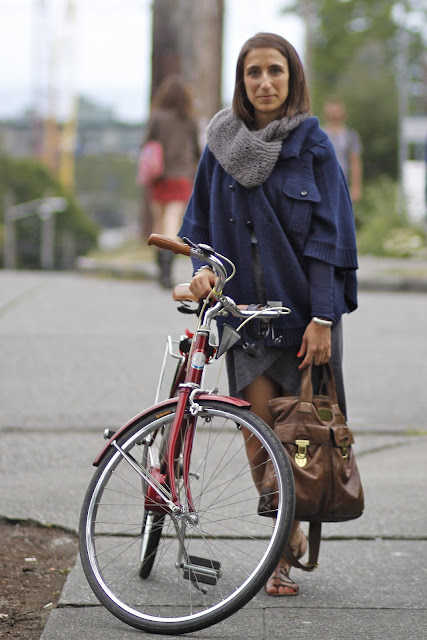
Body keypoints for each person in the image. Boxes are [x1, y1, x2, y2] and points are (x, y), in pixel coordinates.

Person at [178, 33, 358, 597]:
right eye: (253, 72)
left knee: (299, 437)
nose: (264, 82)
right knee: (260, 439)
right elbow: (202, 228)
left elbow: (329, 238)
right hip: (246, 316)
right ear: (241, 80)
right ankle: (285, 532)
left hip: (305, 317)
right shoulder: (220, 145)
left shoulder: (314, 147)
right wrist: (204, 270)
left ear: (292, 77)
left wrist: (324, 317)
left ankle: (281, 552)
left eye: (275, 71)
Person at [143, 75, 200, 287]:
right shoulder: (189, 119)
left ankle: (161, 268)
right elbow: (196, 151)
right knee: (172, 223)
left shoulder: (157, 117)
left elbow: (148, 143)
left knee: (159, 223)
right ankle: (167, 270)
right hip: (180, 176)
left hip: (158, 177)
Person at [323, 98, 362, 204]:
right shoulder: (320, 134)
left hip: (343, 185)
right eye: (332, 112)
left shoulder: (350, 136)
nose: (335, 115)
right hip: (322, 185)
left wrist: (355, 187)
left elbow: (355, 162)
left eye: (337, 112)